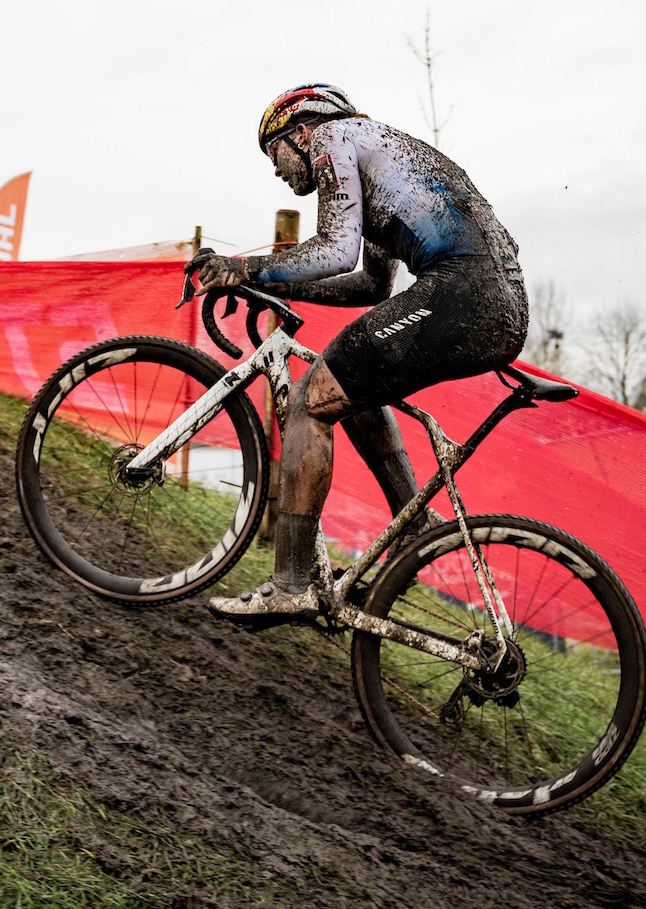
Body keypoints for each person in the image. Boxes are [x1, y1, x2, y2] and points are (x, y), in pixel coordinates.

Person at [189, 84, 528, 626]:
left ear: (298, 131)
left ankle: (292, 582)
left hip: (464, 291)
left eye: (271, 152)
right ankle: (414, 531)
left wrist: (244, 270)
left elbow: (333, 249)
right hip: (496, 302)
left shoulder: (330, 136)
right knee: (349, 386)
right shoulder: (377, 150)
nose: (275, 170)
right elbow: (371, 284)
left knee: (307, 399)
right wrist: (277, 289)